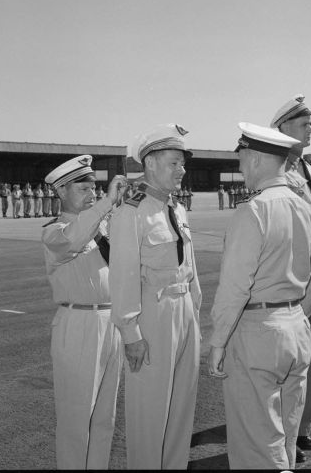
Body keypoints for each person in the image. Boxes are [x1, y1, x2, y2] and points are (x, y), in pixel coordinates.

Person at [208, 122, 311, 470]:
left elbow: (235, 286)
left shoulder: (253, 210)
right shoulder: (305, 208)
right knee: (284, 439)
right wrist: (296, 318)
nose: (240, 169)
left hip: (258, 331)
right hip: (297, 327)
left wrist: (217, 342)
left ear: (255, 159)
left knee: (257, 446)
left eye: (242, 160)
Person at [109, 123, 202, 469]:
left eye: (182, 163)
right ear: (150, 163)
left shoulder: (176, 208)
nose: (182, 170)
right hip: (153, 316)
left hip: (184, 313)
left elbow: (188, 267)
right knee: (149, 413)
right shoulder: (130, 211)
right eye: (174, 162)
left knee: (181, 409)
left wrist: (194, 312)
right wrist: (131, 334)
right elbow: (123, 277)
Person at [42, 155, 127, 470]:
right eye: (83, 187)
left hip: (111, 321)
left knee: (105, 417)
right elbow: (76, 237)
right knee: (76, 419)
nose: (92, 192)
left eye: (95, 187)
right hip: (78, 323)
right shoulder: (56, 232)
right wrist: (106, 203)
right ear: (62, 191)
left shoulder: (102, 226)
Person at [270, 93, 311, 456]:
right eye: (304, 124)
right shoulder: (278, 169)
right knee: (290, 358)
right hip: (298, 268)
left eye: (310, 123)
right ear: (284, 128)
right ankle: (284, 438)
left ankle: (301, 428)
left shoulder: (307, 168)